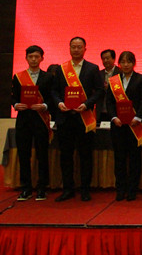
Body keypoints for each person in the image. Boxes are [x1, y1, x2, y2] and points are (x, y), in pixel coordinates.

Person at [52, 37, 104, 202]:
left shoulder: (93, 68)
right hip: (65, 119)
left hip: (84, 118)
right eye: (73, 47)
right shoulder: (61, 69)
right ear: (69, 48)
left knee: (85, 155)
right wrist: (59, 103)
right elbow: (54, 91)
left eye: (79, 47)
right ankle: (68, 189)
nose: (76, 49)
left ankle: (85, 190)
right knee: (66, 155)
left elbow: (99, 91)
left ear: (85, 49)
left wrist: (87, 104)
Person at [11, 45, 53, 201]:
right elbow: (13, 97)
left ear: (42, 58)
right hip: (23, 120)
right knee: (24, 154)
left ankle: (42, 188)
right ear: (26, 58)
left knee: (42, 154)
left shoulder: (48, 77)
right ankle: (26, 188)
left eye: (36, 56)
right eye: (31, 57)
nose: (34, 59)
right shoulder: (18, 77)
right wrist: (16, 105)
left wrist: (45, 106)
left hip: (40, 119)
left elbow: (52, 97)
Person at [106, 51, 142, 201]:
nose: (126, 65)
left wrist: (138, 117)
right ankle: (120, 189)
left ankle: (132, 190)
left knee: (135, 159)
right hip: (118, 125)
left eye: (129, 62)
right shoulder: (114, 80)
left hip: (134, 125)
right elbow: (109, 102)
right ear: (119, 64)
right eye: (123, 62)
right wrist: (113, 117)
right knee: (119, 159)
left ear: (134, 63)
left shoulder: (140, 79)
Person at [97, 49, 120, 123]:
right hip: (102, 111)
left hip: (117, 112)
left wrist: (110, 88)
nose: (105, 61)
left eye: (107, 58)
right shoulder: (98, 74)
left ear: (114, 59)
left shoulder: (121, 73)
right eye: (103, 59)